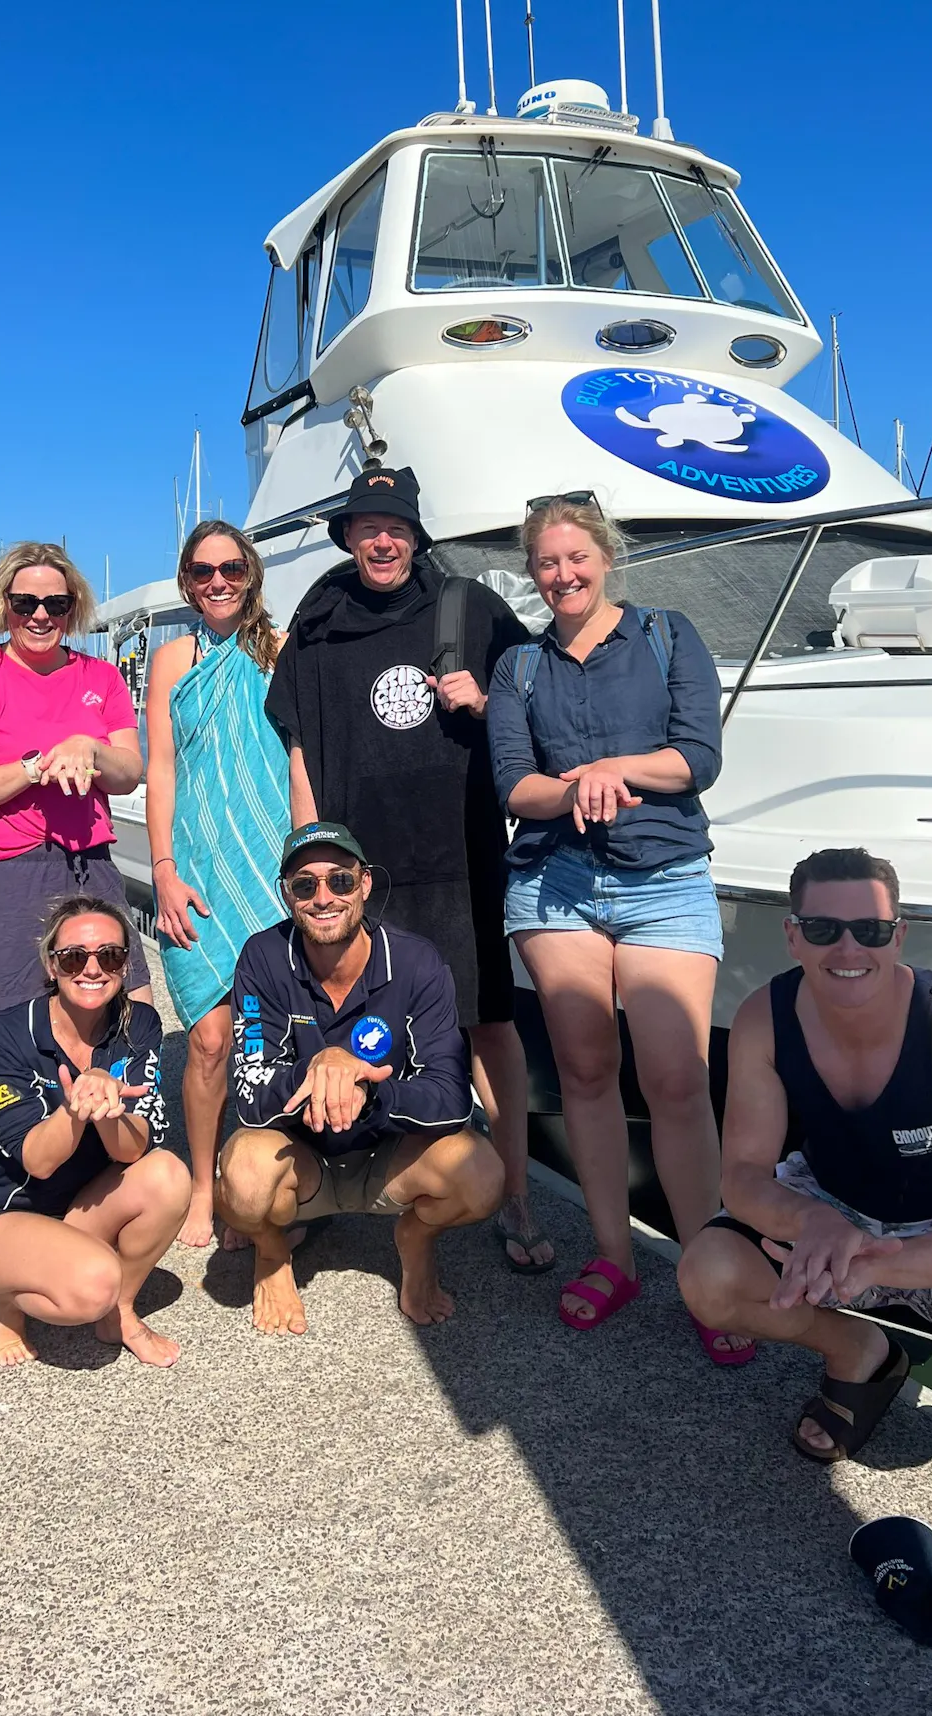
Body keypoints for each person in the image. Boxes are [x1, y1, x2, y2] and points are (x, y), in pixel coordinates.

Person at [678, 847, 932, 1522]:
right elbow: (741, 1177)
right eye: (825, 929)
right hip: (833, 1201)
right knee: (708, 1278)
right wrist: (816, 1225)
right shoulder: (763, 1018)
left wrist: (868, 1266)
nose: (849, 947)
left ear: (900, 935)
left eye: (872, 930)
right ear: (794, 934)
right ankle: (861, 1352)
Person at [266, 466, 550, 1276]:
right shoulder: (318, 626)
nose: (382, 540)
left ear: (416, 534)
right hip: (361, 868)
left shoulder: (469, 609)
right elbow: (298, 746)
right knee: (340, 1022)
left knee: (487, 1020)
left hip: (460, 853)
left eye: (395, 526)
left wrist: (488, 702)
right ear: (347, 537)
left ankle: (518, 1192)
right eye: (366, 527)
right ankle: (324, 1182)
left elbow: (538, 713)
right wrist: (309, 857)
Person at [486, 494, 748, 1358]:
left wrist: (606, 768)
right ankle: (613, 1256)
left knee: (676, 1080)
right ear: (533, 574)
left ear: (606, 558)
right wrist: (572, 791)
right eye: (545, 564)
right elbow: (515, 787)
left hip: (665, 878)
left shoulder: (669, 636)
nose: (562, 575)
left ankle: (714, 1275)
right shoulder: (520, 669)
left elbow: (697, 758)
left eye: (575, 558)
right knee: (589, 1071)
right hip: (556, 882)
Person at [217, 822, 504, 1336]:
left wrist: (369, 1091)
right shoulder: (261, 959)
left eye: (340, 881)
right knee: (240, 1179)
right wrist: (319, 1068)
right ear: (287, 893)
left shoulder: (417, 963)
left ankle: (414, 1239)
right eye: (305, 884)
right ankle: (273, 1252)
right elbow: (249, 1095)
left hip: (388, 1156)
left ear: (365, 884)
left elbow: (452, 1096)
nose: (323, 897)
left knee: (482, 1175)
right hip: (300, 1157)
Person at [0, 894, 191, 1368]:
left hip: (71, 1207)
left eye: (110, 956)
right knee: (91, 1285)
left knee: (169, 1176)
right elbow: (38, 1159)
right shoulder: (3, 1035)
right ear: (51, 966)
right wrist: (75, 1111)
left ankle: (118, 1313)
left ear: (125, 965)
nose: (92, 969)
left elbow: (134, 1149)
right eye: (74, 956)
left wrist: (110, 1107)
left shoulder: (139, 1025)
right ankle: (1, 1296)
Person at [0, 541, 149, 1014]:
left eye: (56, 604)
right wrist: (34, 768)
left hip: (89, 863)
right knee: (14, 1017)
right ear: (3, 605)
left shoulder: (102, 678)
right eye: (25, 603)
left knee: (124, 1001)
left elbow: (128, 772)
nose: (40, 615)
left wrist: (89, 749)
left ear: (73, 608)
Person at [146, 520, 289, 1248]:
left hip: (270, 869)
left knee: (264, 1035)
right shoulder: (174, 658)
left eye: (231, 568)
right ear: (187, 582)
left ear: (251, 573)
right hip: (197, 872)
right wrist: (163, 870)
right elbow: (162, 768)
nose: (218, 582)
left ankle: (250, 1179)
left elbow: (302, 755)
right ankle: (203, 1182)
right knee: (207, 1038)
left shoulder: (280, 652)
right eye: (203, 572)